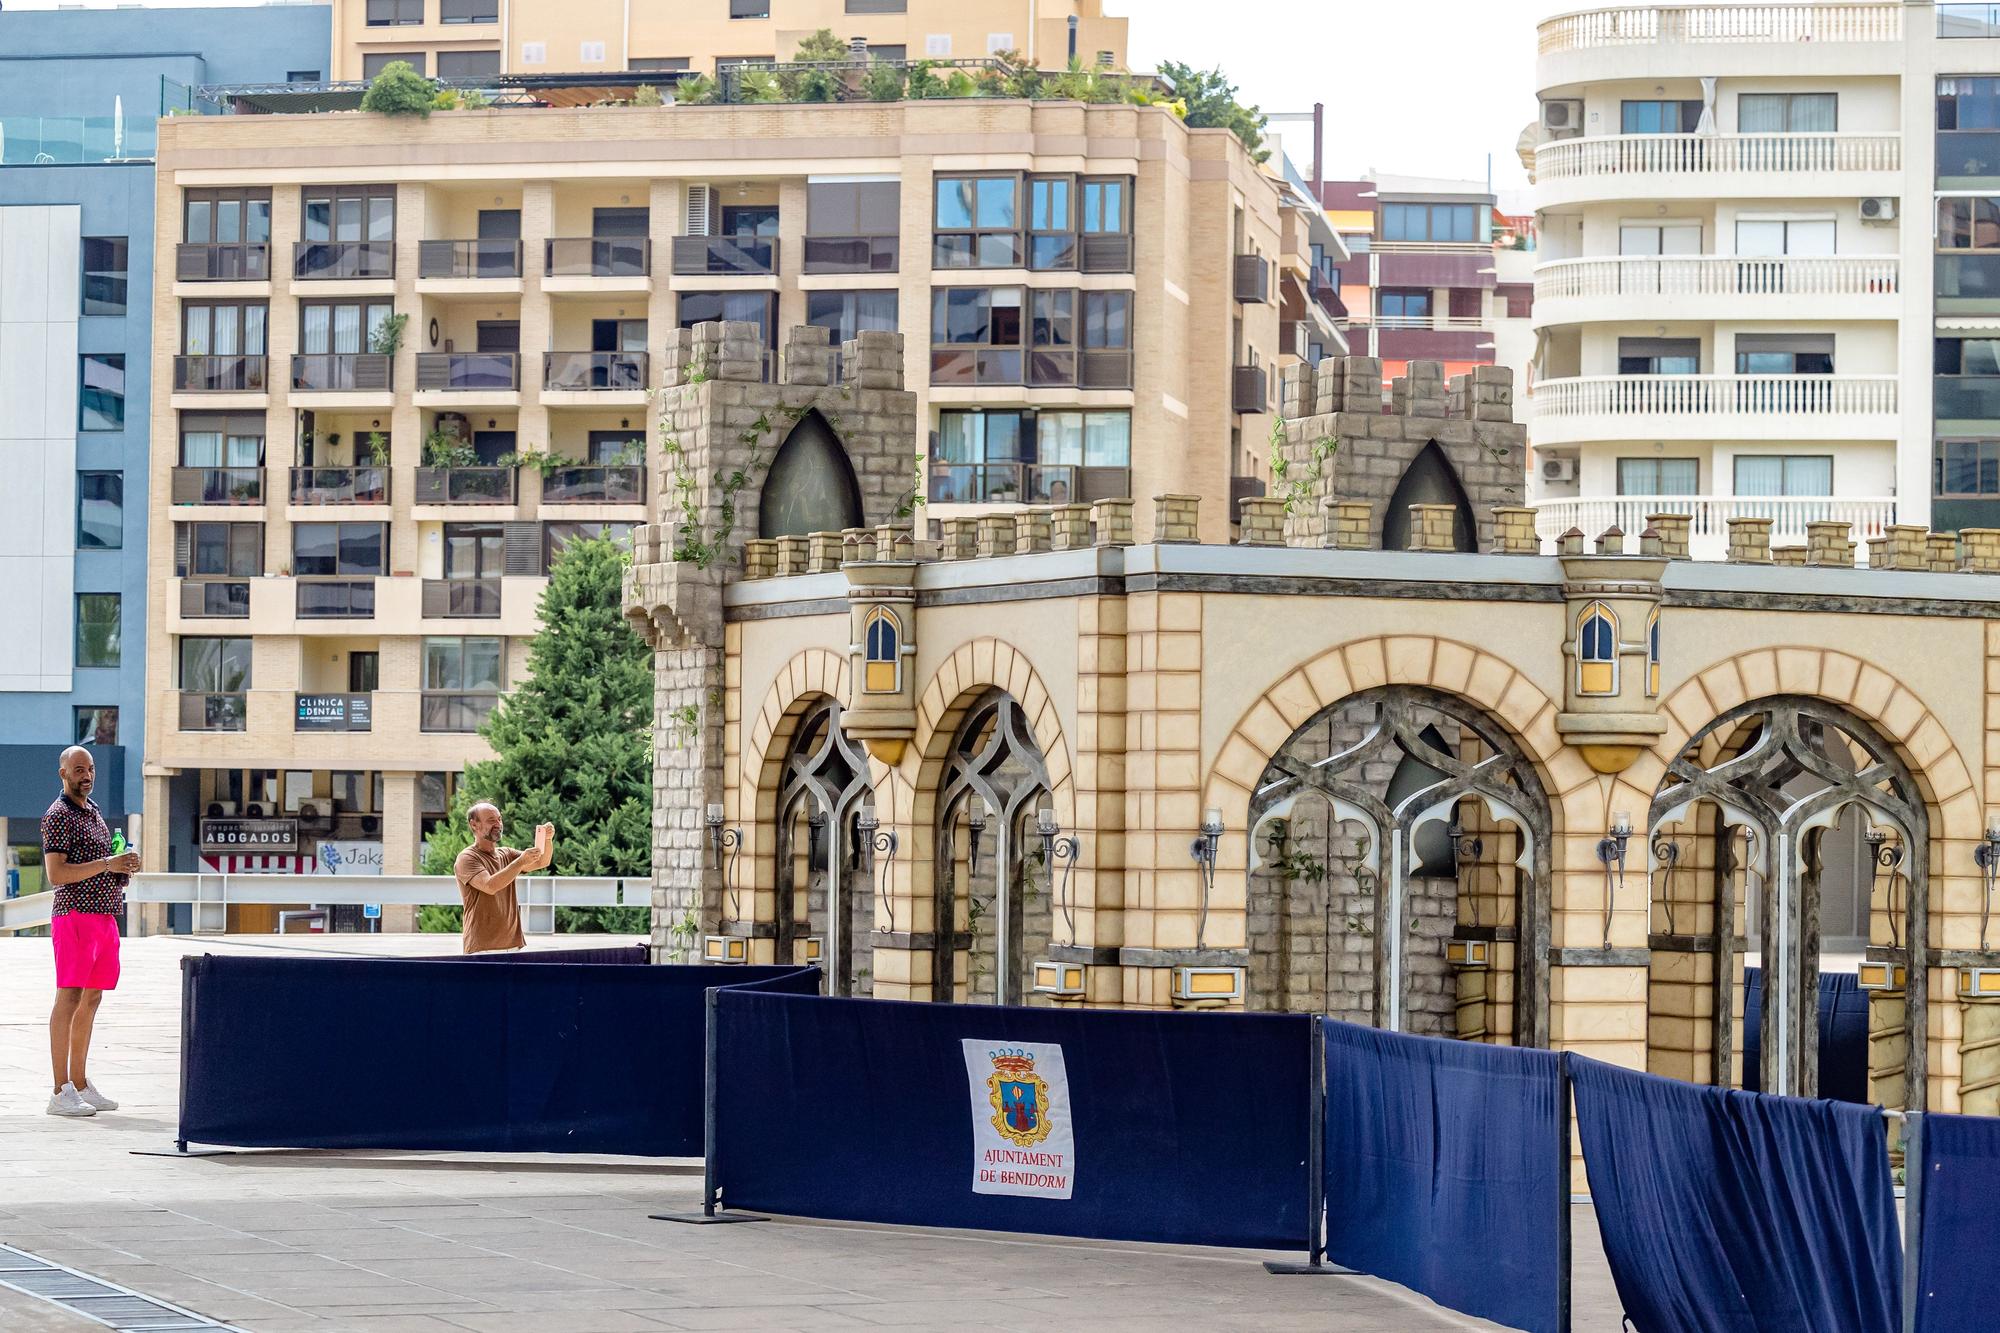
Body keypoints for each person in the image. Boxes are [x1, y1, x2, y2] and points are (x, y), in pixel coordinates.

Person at [42, 746, 138, 1118]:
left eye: (91, 768)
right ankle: (59, 1090)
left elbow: (100, 866)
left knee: (92, 999)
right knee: (68, 998)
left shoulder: (93, 811)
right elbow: (57, 874)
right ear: (63, 773)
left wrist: (121, 868)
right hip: (75, 915)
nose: (87, 775)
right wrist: (106, 863)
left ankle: (80, 1084)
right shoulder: (58, 815)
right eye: (78, 769)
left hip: (104, 916)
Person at [453, 802, 553, 954]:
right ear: (474, 825)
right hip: (482, 947)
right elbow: (489, 886)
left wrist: (547, 839)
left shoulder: (506, 853)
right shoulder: (467, 858)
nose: (498, 824)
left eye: (499, 819)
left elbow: (542, 861)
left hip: (513, 944)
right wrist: (520, 862)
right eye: (491, 820)